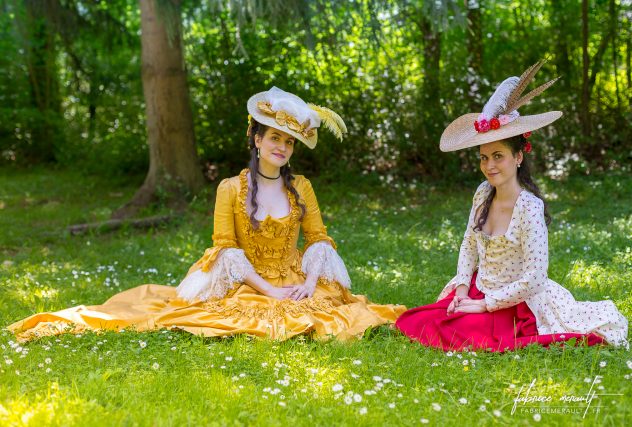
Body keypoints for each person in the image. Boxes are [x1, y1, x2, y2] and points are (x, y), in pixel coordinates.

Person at [9, 87, 406, 342]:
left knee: (333, 311)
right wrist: (268, 291)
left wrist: (309, 283)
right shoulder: (230, 189)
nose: (281, 147)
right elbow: (225, 248)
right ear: (256, 138)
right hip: (249, 282)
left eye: (288, 142)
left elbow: (319, 239)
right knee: (244, 313)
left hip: (295, 278)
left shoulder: (301, 187)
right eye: (274, 138)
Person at [395, 61, 628, 351]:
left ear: (518, 157)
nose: (489, 166)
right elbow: (469, 243)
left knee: (466, 336)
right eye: (483, 157)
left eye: (498, 156)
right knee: (419, 322)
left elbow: (535, 277)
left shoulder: (529, 207)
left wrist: (485, 306)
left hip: (516, 300)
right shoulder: (483, 193)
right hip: (480, 287)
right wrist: (463, 288)